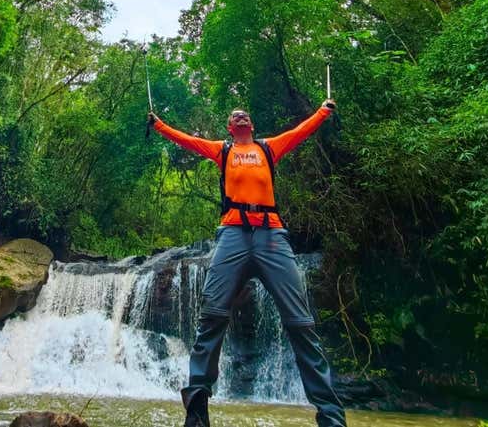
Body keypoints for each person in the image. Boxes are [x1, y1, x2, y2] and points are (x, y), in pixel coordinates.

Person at [148, 100, 346, 427]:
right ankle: (197, 417)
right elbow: (187, 140)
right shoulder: (222, 151)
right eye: (234, 115)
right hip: (233, 233)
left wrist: (324, 111)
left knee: (300, 322)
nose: (240, 115)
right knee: (211, 315)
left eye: (245, 114)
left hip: (271, 234)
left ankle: (332, 418)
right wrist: (158, 126)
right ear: (230, 128)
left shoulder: (268, 149)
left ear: (251, 125)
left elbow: (301, 131)